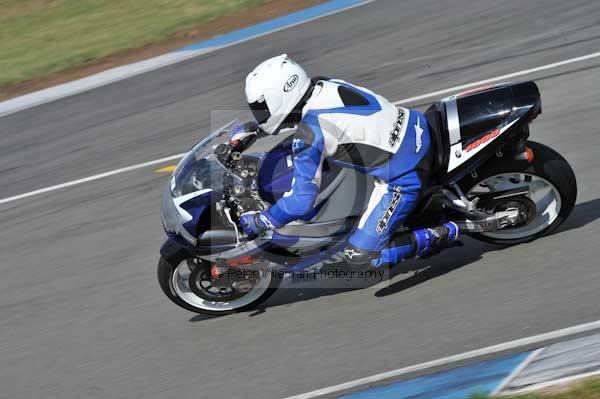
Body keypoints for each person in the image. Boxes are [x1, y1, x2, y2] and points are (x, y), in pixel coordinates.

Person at [236, 54, 459, 268]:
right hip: (414, 126)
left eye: (261, 108)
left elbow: (301, 201)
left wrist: (262, 220)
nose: (261, 114)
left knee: (360, 256)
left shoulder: (310, 135)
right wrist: (257, 131)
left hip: (405, 173)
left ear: (280, 96)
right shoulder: (323, 85)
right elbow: (310, 120)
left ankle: (449, 230)